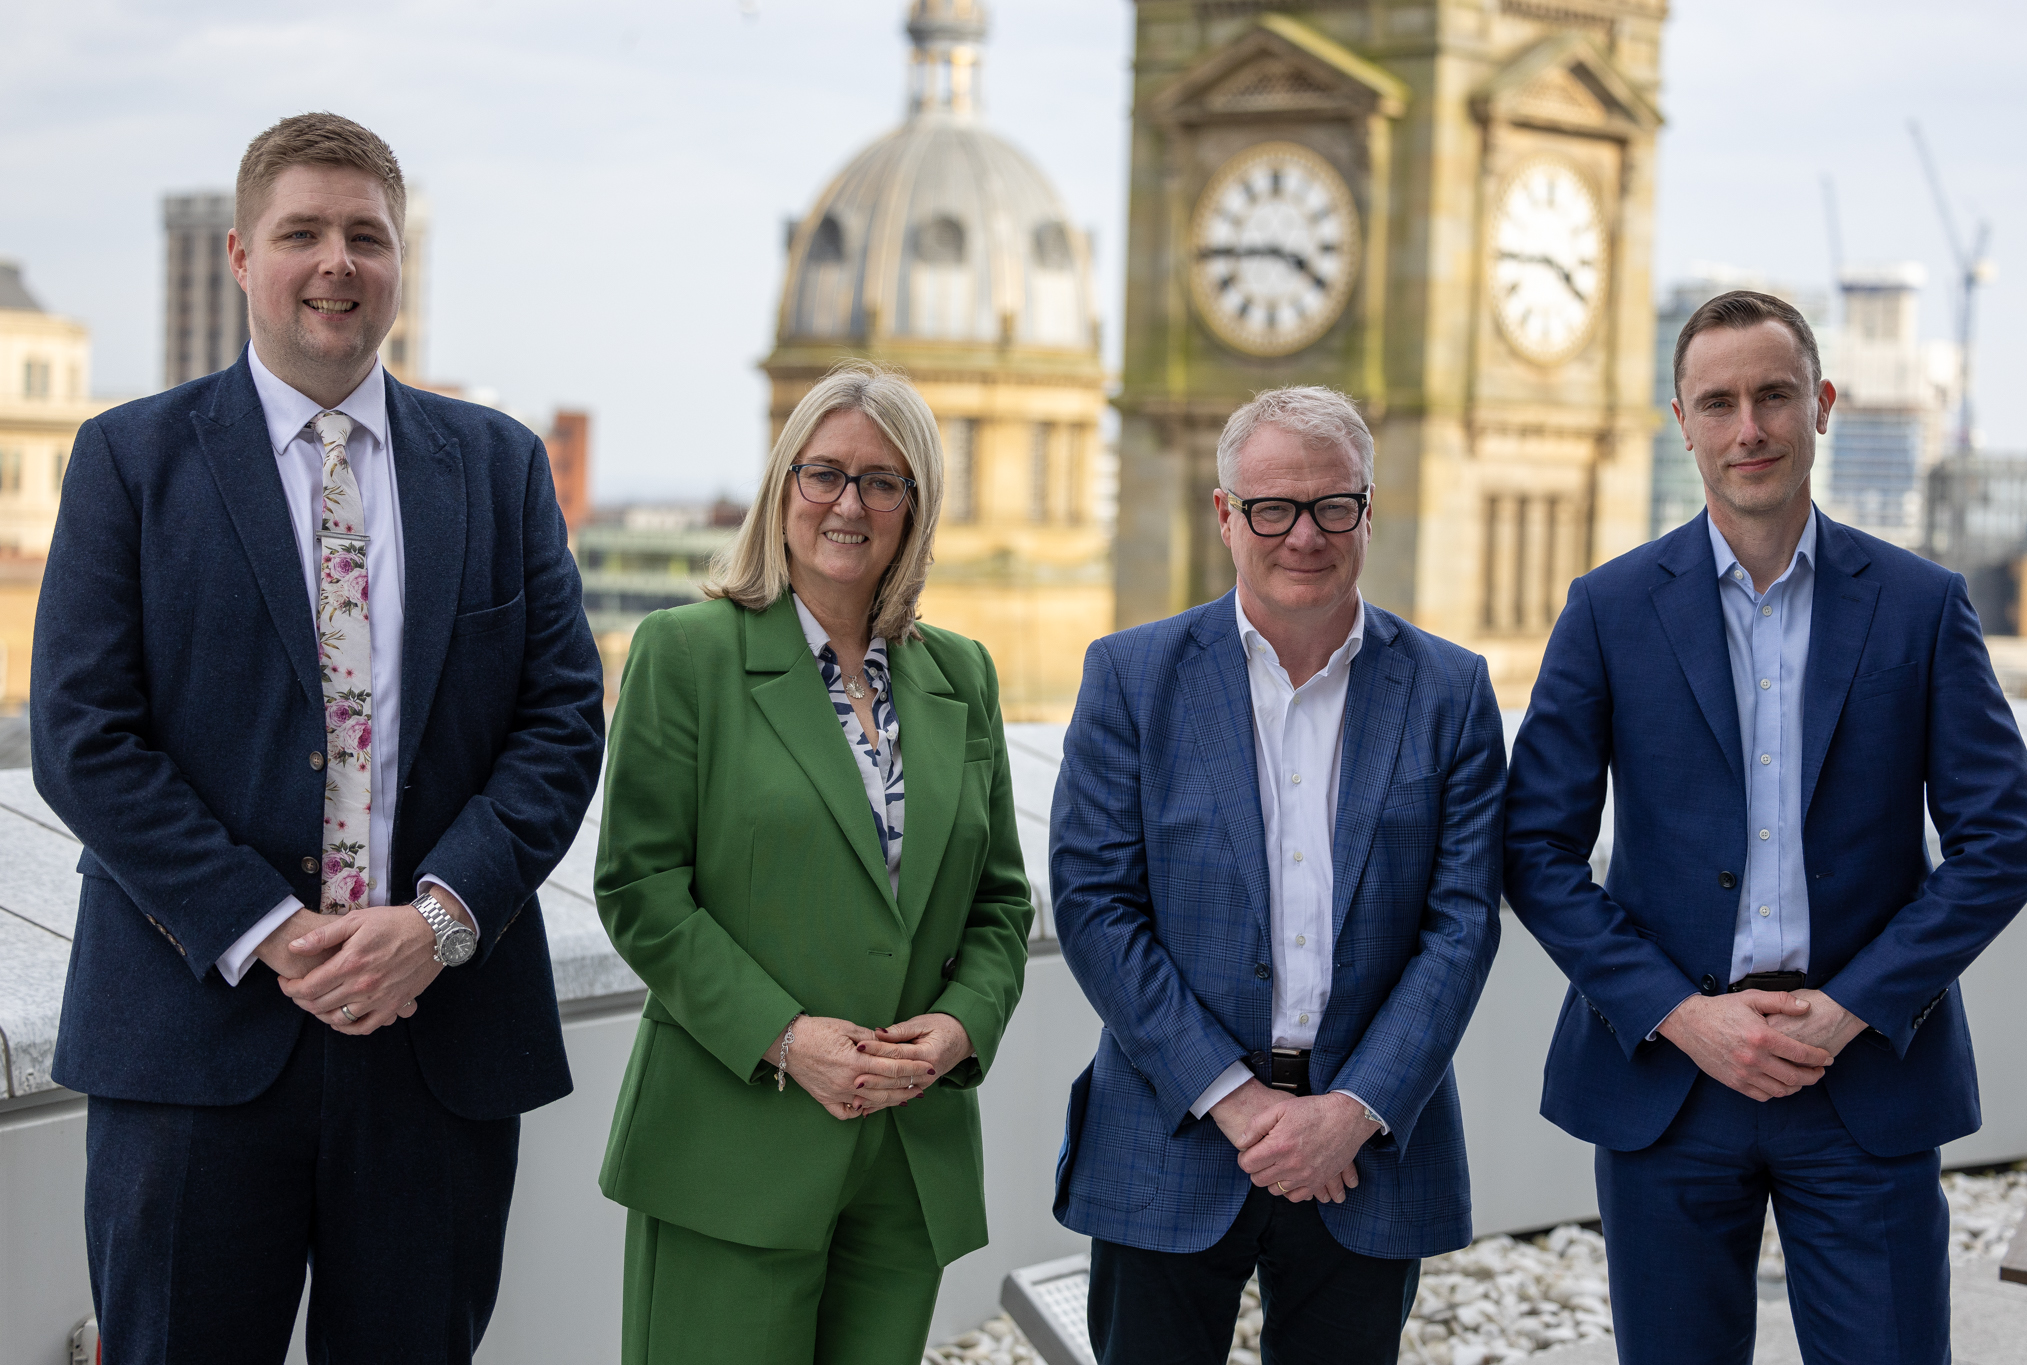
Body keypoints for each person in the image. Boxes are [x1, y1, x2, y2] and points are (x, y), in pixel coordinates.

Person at [30, 113, 606, 1362]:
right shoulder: (130, 461)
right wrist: (274, 933)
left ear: (401, 264)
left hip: (434, 1038)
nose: (336, 261)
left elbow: (561, 724)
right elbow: (84, 734)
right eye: (303, 232)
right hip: (194, 1037)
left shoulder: (499, 469)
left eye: (367, 236)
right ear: (242, 255)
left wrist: (439, 922)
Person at [1504, 290, 2027, 1364]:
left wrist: (1849, 1009)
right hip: (1670, 1084)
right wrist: (1679, 1015)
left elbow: (2000, 844)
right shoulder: (1606, 610)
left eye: (1771, 395)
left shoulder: (1919, 604)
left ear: (1821, 405)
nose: (1745, 427)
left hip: (1862, 1081)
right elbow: (1532, 848)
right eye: (1716, 403)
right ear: (1681, 422)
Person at [1049, 386, 1506, 1364]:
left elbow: (1460, 924)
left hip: (1365, 1150)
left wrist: (1349, 1112)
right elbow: (1093, 906)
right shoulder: (1131, 679)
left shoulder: (1448, 691)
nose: (1302, 534)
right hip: (1170, 1133)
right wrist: (1235, 1099)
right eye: (1271, 508)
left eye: (1331, 505)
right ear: (1225, 516)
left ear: (1366, 513)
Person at [593, 361, 1034, 1365]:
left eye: (882, 481)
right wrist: (788, 1039)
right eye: (822, 472)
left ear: (914, 508)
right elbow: (638, 890)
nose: (848, 503)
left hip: (904, 1158)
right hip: (731, 1149)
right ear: (782, 486)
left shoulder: (958, 674)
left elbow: (1001, 900)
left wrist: (961, 1025)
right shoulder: (684, 654)